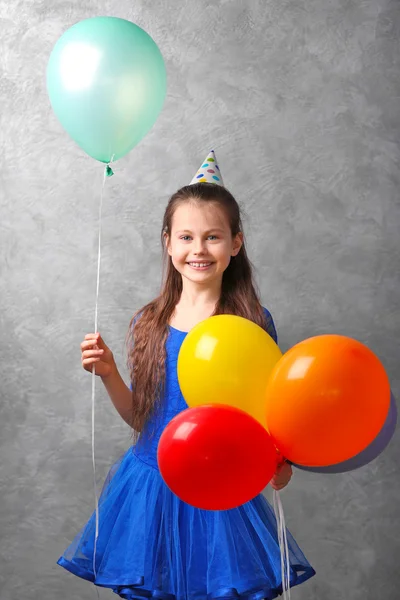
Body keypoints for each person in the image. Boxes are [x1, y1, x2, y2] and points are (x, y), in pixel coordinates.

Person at [57, 151, 315, 599]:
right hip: (152, 487)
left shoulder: (252, 322)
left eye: (213, 237)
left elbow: (271, 405)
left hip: (219, 494)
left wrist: (281, 459)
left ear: (236, 243)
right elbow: (142, 416)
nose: (199, 249)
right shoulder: (148, 322)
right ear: (168, 243)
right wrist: (110, 373)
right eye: (187, 237)